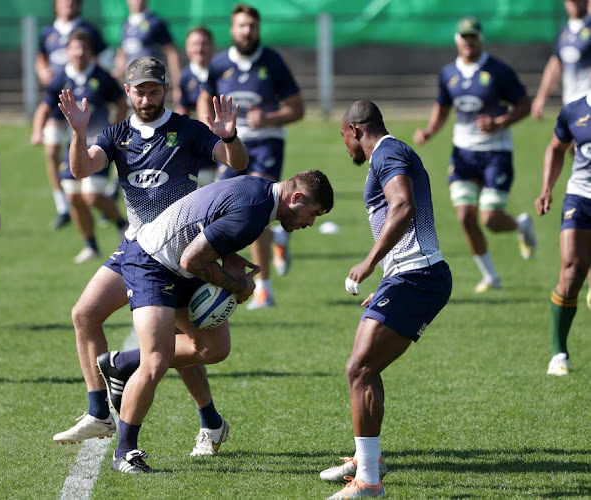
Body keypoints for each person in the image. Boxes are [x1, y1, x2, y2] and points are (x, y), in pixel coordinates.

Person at [51, 56, 250, 456]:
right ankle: (98, 411)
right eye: (139, 90)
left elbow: (238, 163)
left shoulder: (187, 131)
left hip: (179, 253)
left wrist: (229, 137)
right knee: (84, 314)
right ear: (127, 92)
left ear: (166, 90)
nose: (146, 98)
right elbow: (82, 168)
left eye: (154, 90)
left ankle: (208, 420)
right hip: (136, 248)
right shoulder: (116, 134)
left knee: (189, 343)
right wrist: (77, 132)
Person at [109, 170, 333, 473]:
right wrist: (239, 287)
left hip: (182, 263)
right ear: (296, 198)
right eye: (312, 213)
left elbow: (213, 229)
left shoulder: (261, 191)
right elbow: (192, 260)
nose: (310, 222)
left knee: (213, 348)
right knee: (156, 360)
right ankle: (125, 453)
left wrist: (231, 261)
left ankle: (123, 364)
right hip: (154, 262)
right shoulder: (255, 213)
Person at [320, 101, 451, 498]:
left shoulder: (387, 153)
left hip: (420, 277)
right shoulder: (393, 152)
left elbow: (404, 205)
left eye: (344, 137)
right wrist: (389, 274)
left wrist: (370, 261)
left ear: (355, 130)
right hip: (409, 275)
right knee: (363, 368)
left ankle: (369, 481)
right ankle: (367, 461)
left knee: (359, 368)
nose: (346, 147)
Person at [413, 16, 536, 293]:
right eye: (464, 37)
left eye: (473, 37)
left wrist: (499, 122)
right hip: (463, 155)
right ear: (457, 41)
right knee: (465, 217)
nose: (468, 42)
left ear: (481, 39)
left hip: (496, 154)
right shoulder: (448, 74)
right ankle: (490, 276)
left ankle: (520, 226)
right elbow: (442, 107)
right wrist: (430, 131)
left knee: (490, 220)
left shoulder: (498, 71)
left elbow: (525, 105)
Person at [197, 3, 305, 310]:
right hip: (233, 147)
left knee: (255, 207)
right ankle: (278, 239)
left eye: (252, 26)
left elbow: (298, 109)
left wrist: (269, 119)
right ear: (232, 30)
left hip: (266, 145)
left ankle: (264, 290)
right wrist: (209, 122)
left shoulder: (272, 63)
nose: (247, 31)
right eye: (241, 26)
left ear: (258, 29)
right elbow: (205, 96)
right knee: (219, 212)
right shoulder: (219, 65)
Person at [31, 29, 128, 263]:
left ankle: (120, 222)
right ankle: (91, 246)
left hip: (99, 144)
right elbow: (45, 106)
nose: (80, 52)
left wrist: (114, 129)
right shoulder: (61, 77)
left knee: (92, 196)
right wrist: (37, 130)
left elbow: (121, 103)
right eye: (76, 47)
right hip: (74, 144)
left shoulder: (102, 77)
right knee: (74, 196)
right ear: (68, 51)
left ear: (90, 52)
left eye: (85, 48)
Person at [531, 0, 591, 309]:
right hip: (574, 112)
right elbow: (556, 64)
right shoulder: (565, 32)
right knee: (579, 166)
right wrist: (542, 95)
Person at [35, 0, 114, 230]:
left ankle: (102, 191)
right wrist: (41, 71)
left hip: (86, 99)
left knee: (86, 144)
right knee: (51, 149)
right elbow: (40, 56)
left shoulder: (89, 30)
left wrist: (93, 74)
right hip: (60, 98)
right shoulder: (48, 32)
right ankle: (62, 204)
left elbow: (106, 56)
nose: (68, 3)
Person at [534, 90, 591, 375]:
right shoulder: (574, 111)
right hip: (580, 198)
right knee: (571, 272)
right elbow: (556, 148)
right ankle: (559, 353)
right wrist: (546, 189)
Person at [114, 0, 181, 107]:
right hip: (132, 82)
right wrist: (117, 73)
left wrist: (178, 85)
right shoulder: (126, 24)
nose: (137, 1)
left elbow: (171, 53)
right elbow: (122, 53)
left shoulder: (156, 22)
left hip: (151, 81)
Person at [177, 25, 219, 187]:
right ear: (187, 48)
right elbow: (184, 108)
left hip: (226, 136)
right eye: (194, 44)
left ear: (212, 46)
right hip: (202, 140)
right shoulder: (186, 75)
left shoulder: (222, 70)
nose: (199, 49)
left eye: (204, 44)